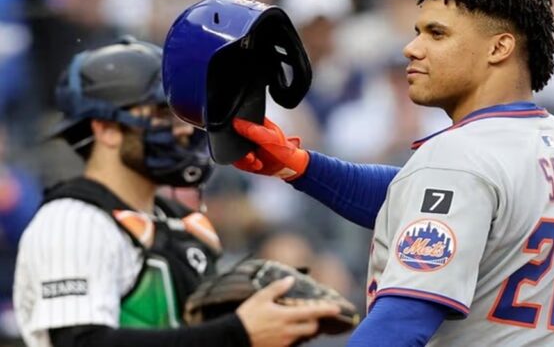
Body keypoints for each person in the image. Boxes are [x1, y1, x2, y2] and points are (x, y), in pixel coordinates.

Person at [227, 0, 554, 345]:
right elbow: (417, 195)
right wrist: (301, 167)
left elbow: (401, 323)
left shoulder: (461, 154)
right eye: (418, 32)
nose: (411, 48)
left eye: (437, 34)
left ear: (499, 47)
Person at [13, 38, 339, 347]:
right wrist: (236, 333)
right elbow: (78, 343)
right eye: (161, 113)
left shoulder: (181, 223)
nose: (183, 129)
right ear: (105, 130)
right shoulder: (74, 220)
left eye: (183, 114)